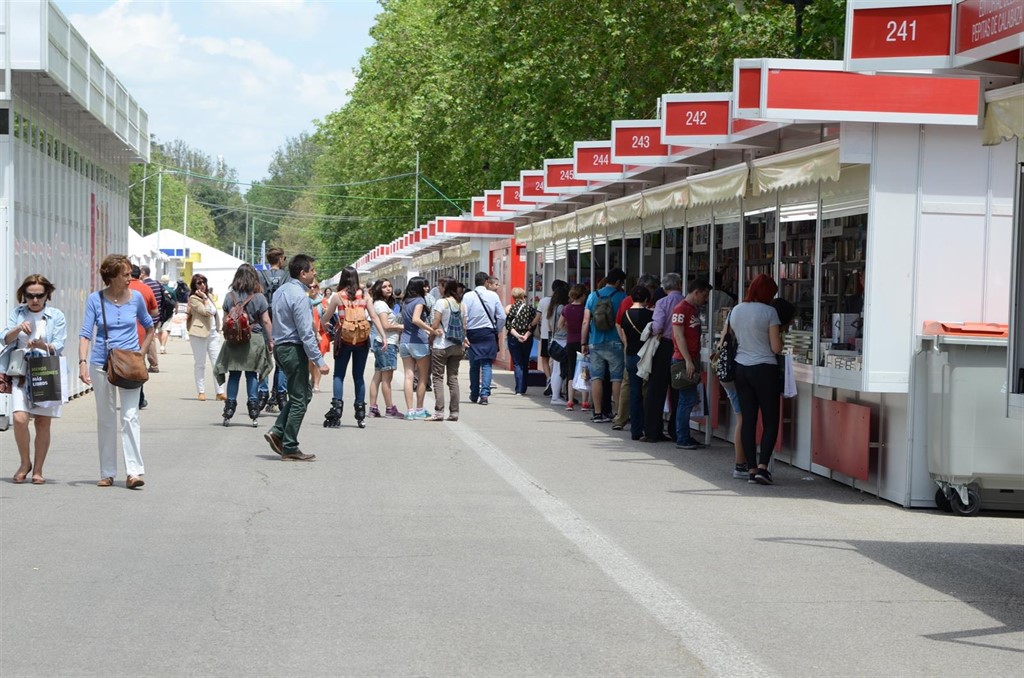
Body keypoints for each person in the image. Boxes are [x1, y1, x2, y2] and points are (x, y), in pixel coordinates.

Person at [78, 254, 155, 489]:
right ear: (111, 277)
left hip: (130, 366)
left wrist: (140, 354)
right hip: (102, 363)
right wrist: (82, 361)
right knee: (106, 418)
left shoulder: (137, 298)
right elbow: (85, 333)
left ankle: (133, 472)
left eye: (131, 273)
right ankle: (107, 472)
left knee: (130, 415)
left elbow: (150, 327)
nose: (130, 278)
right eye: (124, 274)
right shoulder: (95, 299)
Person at [263, 254, 330, 461]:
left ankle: (278, 430)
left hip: (282, 347)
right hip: (293, 348)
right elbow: (306, 332)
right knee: (300, 399)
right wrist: (319, 361)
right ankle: (289, 445)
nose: (314, 273)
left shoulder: (281, 291)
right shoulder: (300, 296)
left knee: (303, 394)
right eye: (312, 270)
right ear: (303, 274)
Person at [2, 274, 67, 484]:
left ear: (47, 294)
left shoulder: (56, 316)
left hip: (44, 370)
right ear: (24, 295)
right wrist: (19, 328)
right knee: (20, 419)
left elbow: (59, 344)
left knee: (42, 422)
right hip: (21, 372)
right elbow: (5, 338)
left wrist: (42, 345)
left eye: (39, 295)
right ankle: (24, 462)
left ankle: (38, 470)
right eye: (30, 295)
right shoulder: (18, 313)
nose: (35, 300)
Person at [729, 274, 785, 485]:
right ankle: (763, 467)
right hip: (764, 368)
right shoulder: (770, 312)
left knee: (748, 420)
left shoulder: (737, 310)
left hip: (741, 368)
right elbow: (775, 347)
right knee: (770, 420)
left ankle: (750, 468)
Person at [321, 266, 387, 429]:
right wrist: (383, 336)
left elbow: (326, 318)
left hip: (344, 339)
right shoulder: (365, 295)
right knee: (358, 376)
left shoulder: (338, 296)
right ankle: (360, 413)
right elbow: (373, 316)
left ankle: (336, 410)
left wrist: (326, 325)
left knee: (339, 375)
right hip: (362, 340)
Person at [214, 264, 273, 427]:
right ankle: (253, 408)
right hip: (253, 339)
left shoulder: (229, 296)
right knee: (251, 375)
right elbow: (266, 321)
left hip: (233, 341)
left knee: (233, 374)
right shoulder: (259, 298)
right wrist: (270, 340)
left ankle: (229, 409)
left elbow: (226, 320)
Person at [580, 268, 628, 423]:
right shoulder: (622, 297)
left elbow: (586, 321)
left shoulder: (593, 296)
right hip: (615, 342)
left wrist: (583, 342)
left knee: (596, 377)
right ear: (619, 282)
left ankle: (598, 413)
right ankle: (619, 414)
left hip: (595, 342)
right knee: (616, 378)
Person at [671, 278, 713, 450]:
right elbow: (678, 336)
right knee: (686, 399)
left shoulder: (692, 309)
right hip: (683, 359)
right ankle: (682, 437)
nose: (706, 299)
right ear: (696, 292)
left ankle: (684, 435)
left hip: (689, 357)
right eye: (704, 295)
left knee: (688, 399)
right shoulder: (681, 309)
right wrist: (688, 360)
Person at [613, 274, 658, 431]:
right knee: (644, 388)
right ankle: (644, 423)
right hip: (645, 354)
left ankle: (626, 421)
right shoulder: (650, 311)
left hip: (630, 352)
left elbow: (619, 325)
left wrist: (626, 343)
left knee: (630, 387)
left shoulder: (626, 307)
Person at [644, 273, 683, 443]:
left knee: (656, 390)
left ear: (664, 287)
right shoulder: (685, 302)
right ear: (679, 285)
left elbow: (658, 326)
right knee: (678, 390)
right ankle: (677, 430)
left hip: (664, 346)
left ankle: (653, 431)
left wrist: (651, 330)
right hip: (681, 348)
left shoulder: (662, 303)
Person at [462, 271, 506, 405]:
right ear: (487, 281)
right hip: (488, 333)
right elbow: (502, 316)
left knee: (474, 365)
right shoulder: (493, 295)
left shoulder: (467, 296)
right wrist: (497, 329)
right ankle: (485, 394)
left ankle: (474, 393)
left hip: (472, 333)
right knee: (486, 364)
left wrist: (464, 334)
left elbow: (464, 316)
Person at [429, 279, 467, 421]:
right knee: (453, 378)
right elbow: (464, 326)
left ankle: (439, 412)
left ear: (445, 287)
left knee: (438, 378)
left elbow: (435, 324)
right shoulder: (461, 304)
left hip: (442, 344)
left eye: (440, 285)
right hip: (457, 346)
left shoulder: (441, 303)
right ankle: (454, 412)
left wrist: (430, 338)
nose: (439, 288)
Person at [257, 247, 289, 412]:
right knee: (281, 361)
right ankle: (280, 395)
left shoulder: (260, 276)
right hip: (282, 321)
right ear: (281, 259)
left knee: (264, 359)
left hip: (264, 320)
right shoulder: (287, 277)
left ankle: (262, 392)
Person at [367, 278, 404, 418]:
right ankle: (389, 408)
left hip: (381, 342)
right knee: (386, 378)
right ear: (378, 289)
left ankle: (373, 407)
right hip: (387, 343)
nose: (388, 288)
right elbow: (386, 325)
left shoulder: (379, 304)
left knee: (378, 376)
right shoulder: (381, 305)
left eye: (389, 286)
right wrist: (402, 327)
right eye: (384, 287)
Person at [186, 273, 226, 402]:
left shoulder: (208, 296)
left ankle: (220, 392)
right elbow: (207, 311)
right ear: (194, 285)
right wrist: (204, 298)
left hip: (213, 333)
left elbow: (215, 313)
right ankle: (201, 391)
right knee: (200, 364)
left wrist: (206, 298)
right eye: (199, 283)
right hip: (199, 334)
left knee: (217, 363)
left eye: (204, 282)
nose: (202, 285)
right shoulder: (194, 298)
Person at [398, 276, 434, 419]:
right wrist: (431, 330)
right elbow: (416, 319)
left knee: (408, 376)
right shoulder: (420, 301)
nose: (426, 288)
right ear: (419, 287)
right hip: (419, 341)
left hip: (404, 341)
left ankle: (410, 410)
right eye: (424, 286)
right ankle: (419, 409)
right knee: (423, 377)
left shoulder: (405, 301)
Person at [129, 265, 158, 409]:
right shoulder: (146, 289)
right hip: (141, 333)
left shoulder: (121, 289)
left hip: (121, 334)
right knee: (138, 366)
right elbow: (154, 311)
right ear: (139, 275)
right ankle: (139, 397)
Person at [504, 287, 539, 395]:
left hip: (514, 337)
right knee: (525, 362)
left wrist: (518, 335)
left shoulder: (510, 308)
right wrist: (526, 335)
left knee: (517, 363)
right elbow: (534, 324)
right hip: (527, 338)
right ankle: (523, 388)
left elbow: (509, 325)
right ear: (523, 296)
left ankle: (518, 389)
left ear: (513, 297)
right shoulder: (530, 309)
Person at [561, 284, 589, 411]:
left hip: (570, 341)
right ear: (583, 295)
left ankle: (570, 401)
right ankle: (584, 402)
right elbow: (587, 324)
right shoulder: (585, 309)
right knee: (584, 370)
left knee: (571, 370)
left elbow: (559, 324)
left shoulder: (566, 308)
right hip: (583, 341)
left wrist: (569, 329)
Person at [546, 282, 570, 405]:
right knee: (560, 371)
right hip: (562, 340)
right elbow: (563, 325)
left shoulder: (553, 307)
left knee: (556, 370)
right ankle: (555, 397)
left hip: (555, 340)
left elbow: (550, 325)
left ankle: (555, 395)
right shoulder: (562, 308)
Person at [139, 265, 165, 370]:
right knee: (151, 337)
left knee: (149, 339)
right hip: (156, 316)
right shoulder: (157, 284)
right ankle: (152, 364)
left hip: (147, 316)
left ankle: (153, 364)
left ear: (143, 273)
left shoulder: (145, 286)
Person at [158, 274, 176, 353]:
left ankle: (161, 344)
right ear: (168, 281)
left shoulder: (159, 289)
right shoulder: (171, 290)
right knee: (166, 329)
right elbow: (175, 302)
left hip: (159, 312)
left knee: (159, 330)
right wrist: (176, 310)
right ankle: (163, 346)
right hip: (168, 312)